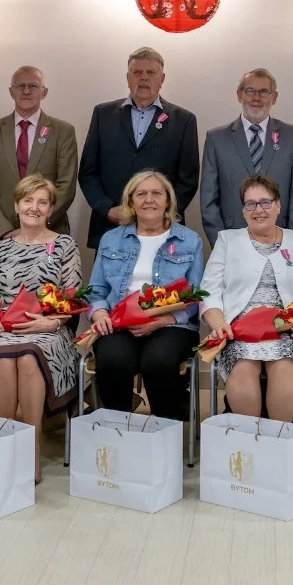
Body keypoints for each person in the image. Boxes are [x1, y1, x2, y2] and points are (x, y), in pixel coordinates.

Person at [0, 176, 80, 483]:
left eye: (42, 202)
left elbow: (73, 297)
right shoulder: (1, 248)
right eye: (28, 200)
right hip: (5, 330)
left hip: (50, 329)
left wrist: (54, 321)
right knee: (5, 357)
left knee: (30, 356)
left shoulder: (65, 245)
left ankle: (31, 450)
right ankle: (7, 447)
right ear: (16, 206)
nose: (35, 207)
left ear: (51, 209)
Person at [202, 175, 293, 422]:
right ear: (243, 210)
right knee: (243, 368)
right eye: (251, 204)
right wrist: (219, 324)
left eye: (265, 202)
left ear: (278, 205)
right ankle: (250, 439)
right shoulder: (227, 240)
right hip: (239, 330)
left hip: (288, 328)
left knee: (285, 367)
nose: (258, 210)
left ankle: (279, 435)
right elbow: (209, 290)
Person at [87, 171, 204, 420]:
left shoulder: (189, 240)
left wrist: (164, 320)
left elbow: (196, 296)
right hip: (118, 324)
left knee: (158, 362)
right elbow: (96, 290)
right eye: (141, 194)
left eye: (156, 193)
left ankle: (164, 430)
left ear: (168, 200)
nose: (149, 199)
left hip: (172, 325)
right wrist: (100, 313)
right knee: (114, 361)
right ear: (130, 201)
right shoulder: (111, 239)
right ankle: (119, 429)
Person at [78, 47, 199, 249]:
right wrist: (107, 209)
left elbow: (188, 178)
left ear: (162, 78)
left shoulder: (184, 120)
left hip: (163, 229)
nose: (144, 78)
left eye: (151, 72)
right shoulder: (103, 114)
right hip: (111, 226)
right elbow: (88, 172)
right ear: (128, 78)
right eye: (137, 72)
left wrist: (160, 214)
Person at [200, 67, 293, 246]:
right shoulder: (216, 138)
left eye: (264, 92)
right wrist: (222, 244)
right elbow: (208, 200)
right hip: (232, 239)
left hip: (281, 239)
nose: (256, 98)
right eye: (250, 91)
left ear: (274, 97)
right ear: (239, 95)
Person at [0, 65, 78, 248]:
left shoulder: (63, 132)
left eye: (33, 86)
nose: (26, 91)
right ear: (11, 91)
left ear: (44, 92)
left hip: (48, 235)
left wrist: (35, 225)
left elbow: (66, 186)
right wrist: (4, 230)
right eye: (20, 86)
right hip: (2, 238)